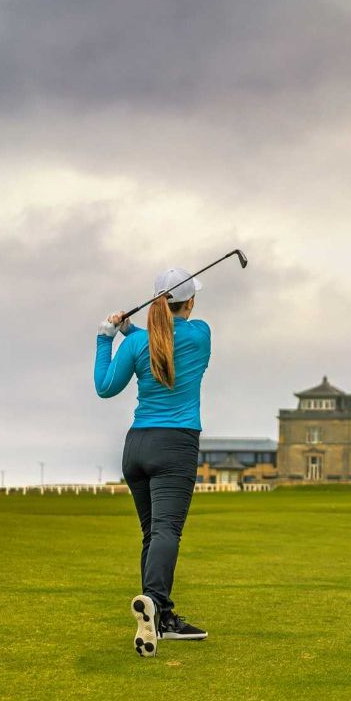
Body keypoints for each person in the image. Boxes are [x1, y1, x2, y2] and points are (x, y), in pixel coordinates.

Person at [95, 268, 211, 657]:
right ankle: (155, 602)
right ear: (189, 302)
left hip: (136, 447)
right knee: (166, 532)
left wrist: (107, 337)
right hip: (174, 445)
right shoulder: (200, 335)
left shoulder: (137, 344)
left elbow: (105, 388)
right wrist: (133, 334)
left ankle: (161, 617)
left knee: (152, 534)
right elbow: (167, 340)